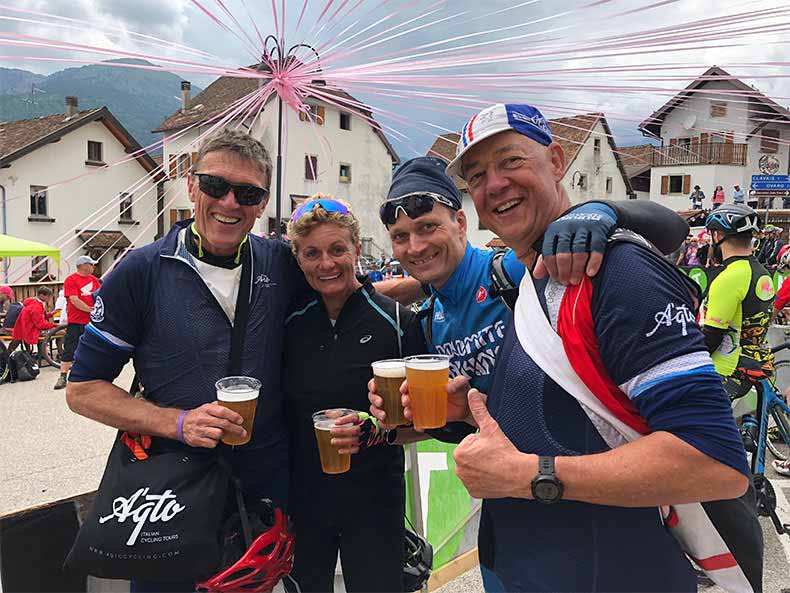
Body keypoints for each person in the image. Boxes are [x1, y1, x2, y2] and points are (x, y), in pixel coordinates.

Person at [386, 103, 751, 592]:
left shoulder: (611, 271)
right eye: (477, 175)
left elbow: (717, 464)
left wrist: (529, 477)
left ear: (557, 162)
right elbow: (564, 419)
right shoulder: (536, 280)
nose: (494, 184)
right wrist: (471, 413)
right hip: (526, 564)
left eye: (511, 161)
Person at [65, 130, 306, 592]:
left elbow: (346, 294)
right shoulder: (142, 270)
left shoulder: (279, 262)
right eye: (216, 186)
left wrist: (430, 285)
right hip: (176, 489)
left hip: (263, 490)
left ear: (262, 203)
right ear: (191, 185)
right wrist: (178, 422)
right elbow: (83, 390)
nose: (230, 203)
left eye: (248, 193)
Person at [282, 195, 425, 593]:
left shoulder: (398, 321)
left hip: (375, 499)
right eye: (312, 253)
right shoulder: (287, 325)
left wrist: (376, 430)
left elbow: (431, 423)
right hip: (303, 499)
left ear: (357, 250)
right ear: (298, 258)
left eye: (337, 249)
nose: (326, 264)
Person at [701, 205, 775, 404]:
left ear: (717, 236)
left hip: (726, 370)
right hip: (754, 364)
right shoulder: (762, 273)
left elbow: (712, 336)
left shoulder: (729, 278)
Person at [54, 255, 101, 390]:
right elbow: (74, 300)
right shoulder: (71, 280)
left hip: (91, 321)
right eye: (91, 265)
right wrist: (90, 310)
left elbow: (100, 295)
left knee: (94, 347)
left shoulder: (94, 280)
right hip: (76, 320)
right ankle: (63, 376)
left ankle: (93, 375)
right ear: (83, 265)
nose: (93, 267)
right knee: (70, 348)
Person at [7, 286, 57, 354]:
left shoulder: (32, 303)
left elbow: (39, 317)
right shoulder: (36, 307)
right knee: (61, 332)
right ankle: (55, 354)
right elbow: (40, 325)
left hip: (24, 329)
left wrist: (52, 314)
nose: (50, 299)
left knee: (56, 330)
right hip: (31, 331)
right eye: (48, 296)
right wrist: (56, 325)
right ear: (42, 296)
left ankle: (41, 353)